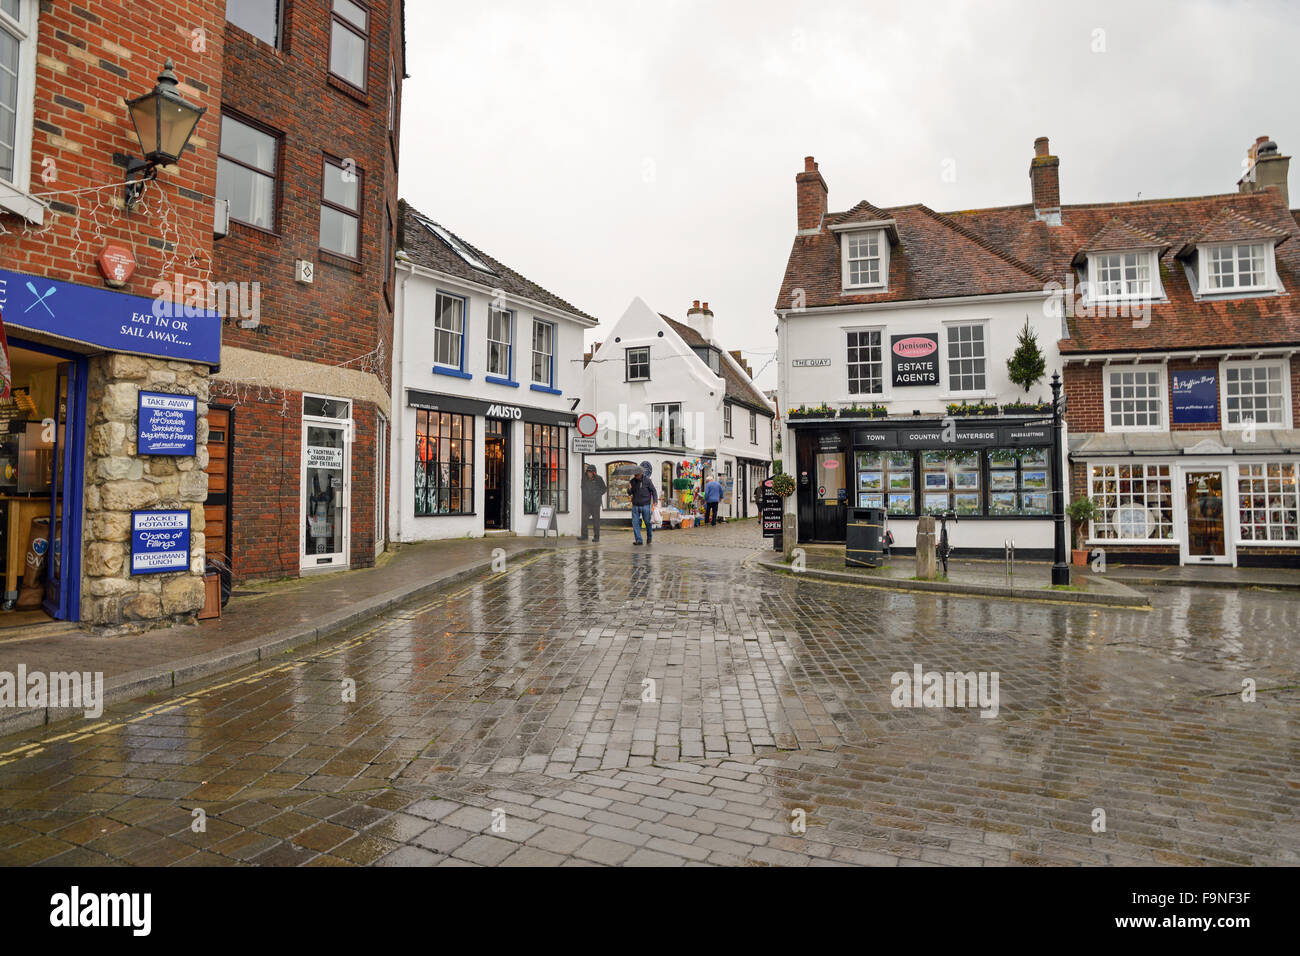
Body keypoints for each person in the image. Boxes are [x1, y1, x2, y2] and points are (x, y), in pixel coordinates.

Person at [628, 460, 658, 545]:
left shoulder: (647, 480)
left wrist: (655, 501)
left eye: (637, 474)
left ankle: (649, 537)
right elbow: (630, 493)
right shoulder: (632, 481)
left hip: (645, 505)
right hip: (635, 506)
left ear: (641, 473)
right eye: (635, 474)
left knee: (648, 522)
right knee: (635, 523)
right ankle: (639, 540)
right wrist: (629, 488)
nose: (635, 476)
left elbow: (654, 491)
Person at [578, 463, 606, 542]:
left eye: (590, 472)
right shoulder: (584, 479)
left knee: (596, 520)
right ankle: (584, 535)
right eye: (588, 472)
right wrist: (585, 497)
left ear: (594, 472)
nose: (589, 474)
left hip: (596, 504)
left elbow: (604, 488)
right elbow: (582, 488)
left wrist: (597, 494)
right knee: (584, 519)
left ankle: (596, 537)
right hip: (586, 503)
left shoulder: (599, 479)